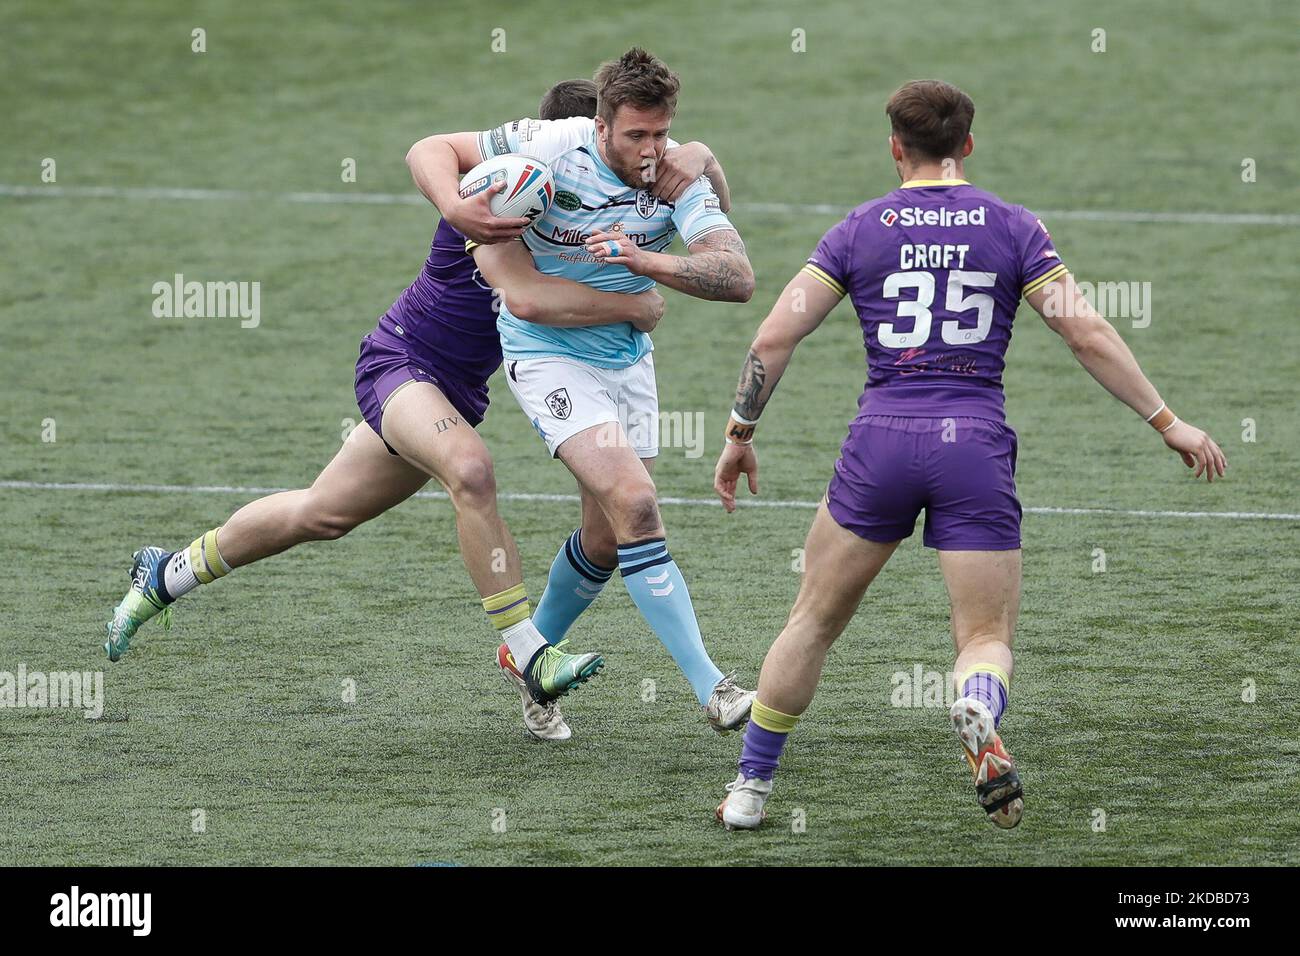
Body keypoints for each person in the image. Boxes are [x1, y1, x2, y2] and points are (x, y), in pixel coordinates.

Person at [103, 79, 729, 743]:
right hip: (402, 365)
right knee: (471, 469)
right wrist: (636, 306)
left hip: (456, 390)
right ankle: (527, 651)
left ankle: (166, 571)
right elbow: (527, 299)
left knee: (322, 513)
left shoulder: (577, 220)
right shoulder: (504, 202)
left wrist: (703, 160)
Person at [711, 79, 1227, 829]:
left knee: (812, 621)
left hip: (881, 441)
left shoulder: (859, 228)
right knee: (984, 638)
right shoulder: (1014, 226)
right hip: (974, 449)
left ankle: (751, 792)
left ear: (896, 147)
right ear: (969, 146)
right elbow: (1085, 333)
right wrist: (1167, 421)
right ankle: (974, 703)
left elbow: (772, 339)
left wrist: (738, 438)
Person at [405, 48, 758, 734]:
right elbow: (429, 148)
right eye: (636, 136)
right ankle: (714, 688)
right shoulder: (547, 146)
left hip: (628, 359)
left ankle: (528, 660)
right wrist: (455, 205)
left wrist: (644, 256)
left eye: (661, 133)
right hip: (548, 357)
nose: (651, 150)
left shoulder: (679, 171)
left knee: (606, 539)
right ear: (600, 128)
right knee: (638, 502)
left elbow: (736, 276)